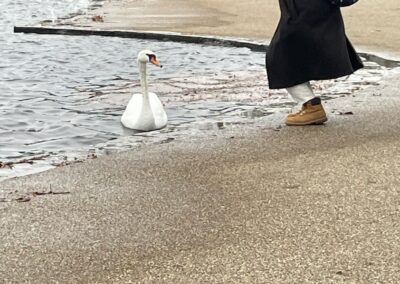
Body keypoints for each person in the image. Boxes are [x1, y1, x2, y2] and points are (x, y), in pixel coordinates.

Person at [266, 0, 363, 126]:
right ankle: (310, 104)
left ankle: (310, 106)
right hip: (309, 10)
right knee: (288, 56)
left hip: (306, 10)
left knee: (280, 57)